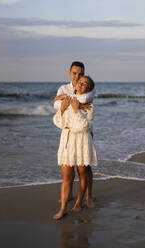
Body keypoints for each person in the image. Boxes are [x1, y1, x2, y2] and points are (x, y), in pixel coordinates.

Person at [53, 76, 98, 220]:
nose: (81, 83)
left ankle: (79, 201)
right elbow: (58, 122)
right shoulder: (68, 100)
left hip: (82, 141)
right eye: (80, 82)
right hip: (67, 140)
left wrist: (77, 110)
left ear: (88, 88)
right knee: (66, 176)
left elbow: (85, 126)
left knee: (83, 172)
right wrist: (62, 109)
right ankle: (63, 208)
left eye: (85, 83)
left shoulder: (89, 105)